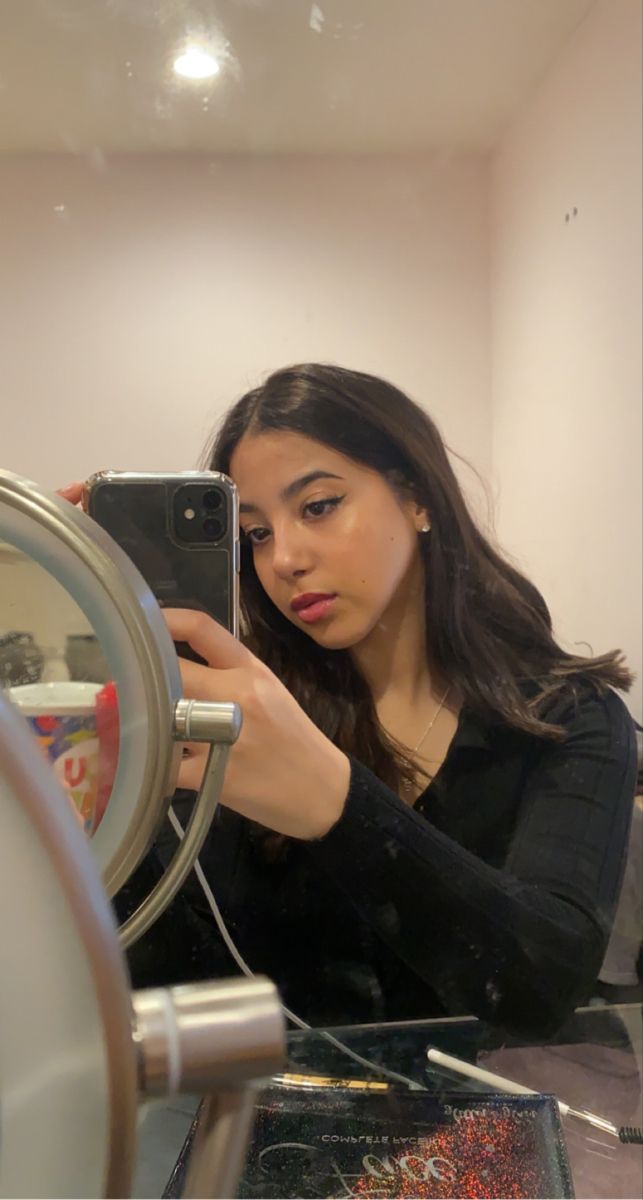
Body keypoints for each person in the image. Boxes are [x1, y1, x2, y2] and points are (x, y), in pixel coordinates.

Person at [63, 364, 638, 1036]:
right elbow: (177, 988)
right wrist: (99, 812)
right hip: (284, 1129)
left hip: (498, 1127)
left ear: (418, 497)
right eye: (256, 533)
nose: (283, 560)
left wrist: (336, 804)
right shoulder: (247, 715)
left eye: (317, 506)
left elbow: (540, 989)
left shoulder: (571, 719)